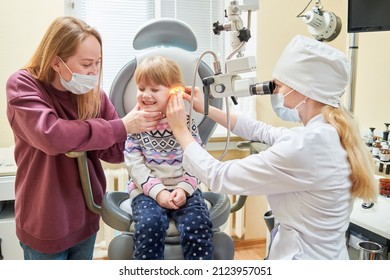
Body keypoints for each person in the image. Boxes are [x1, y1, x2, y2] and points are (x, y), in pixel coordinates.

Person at [166, 35, 378, 260]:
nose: (275, 91)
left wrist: (180, 130)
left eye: (280, 85)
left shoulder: (305, 146)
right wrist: (207, 109)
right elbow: (261, 130)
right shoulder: (325, 133)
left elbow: (220, 176)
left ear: (303, 90)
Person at [5, 16, 163, 260]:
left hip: (86, 214)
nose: (94, 72)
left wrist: (146, 123)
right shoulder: (23, 85)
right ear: (57, 62)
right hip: (45, 220)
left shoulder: (92, 95)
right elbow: (52, 135)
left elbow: (115, 151)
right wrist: (119, 126)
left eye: (98, 63)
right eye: (87, 63)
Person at [124, 56, 214, 260]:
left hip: (185, 190)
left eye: (154, 89)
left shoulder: (185, 123)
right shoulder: (135, 123)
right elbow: (134, 164)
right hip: (147, 192)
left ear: (175, 93)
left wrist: (183, 189)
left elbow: (196, 161)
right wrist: (158, 193)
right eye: (141, 88)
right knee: (149, 225)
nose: (146, 95)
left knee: (198, 226)